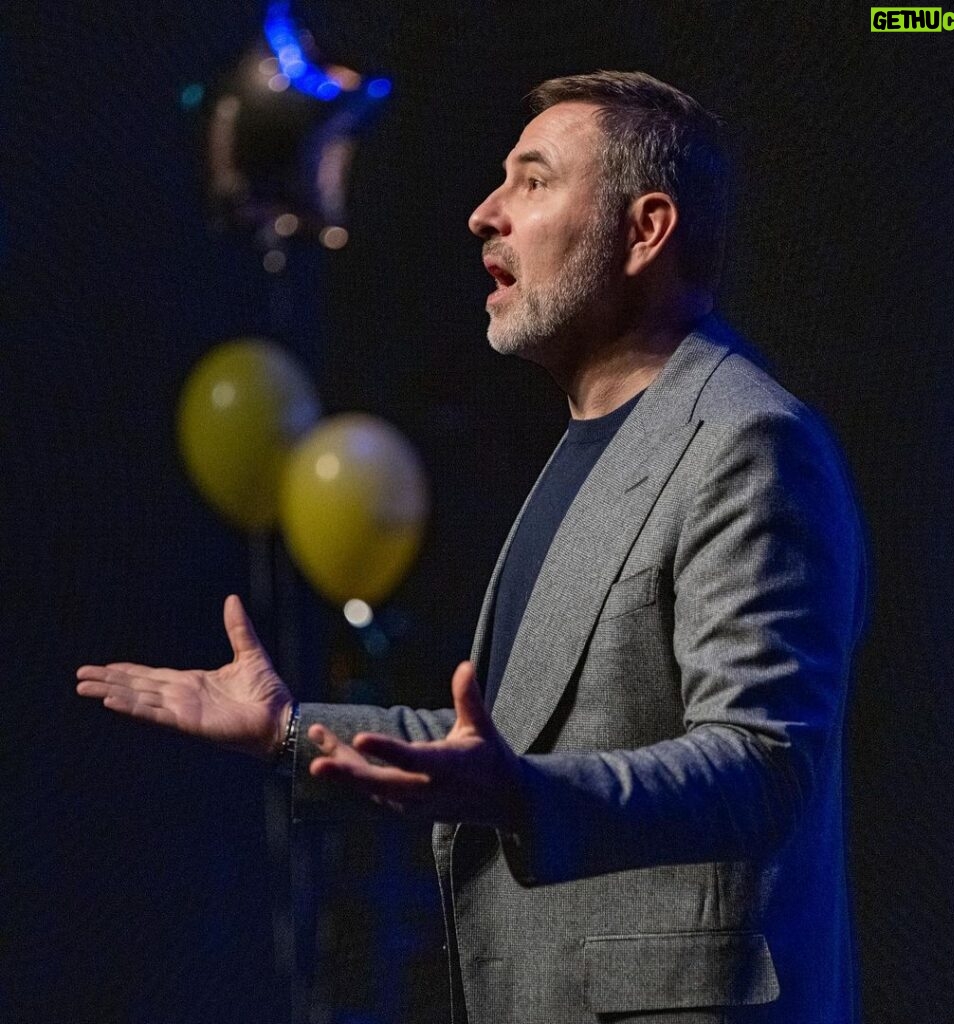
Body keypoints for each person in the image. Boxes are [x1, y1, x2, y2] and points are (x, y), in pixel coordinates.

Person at [77, 71, 866, 1024]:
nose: (483, 215)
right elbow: (493, 753)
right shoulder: (595, 443)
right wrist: (292, 728)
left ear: (645, 230)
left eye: (532, 182)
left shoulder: (747, 442)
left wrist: (524, 798)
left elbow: (761, 765)